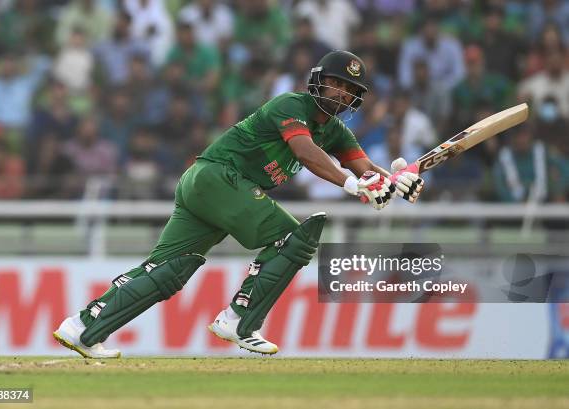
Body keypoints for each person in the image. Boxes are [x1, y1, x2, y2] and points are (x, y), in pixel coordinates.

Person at [52, 50, 425, 358]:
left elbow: (364, 168)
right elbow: (305, 151)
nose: (341, 93)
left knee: (170, 270)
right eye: (336, 83)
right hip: (218, 177)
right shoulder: (290, 104)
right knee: (295, 239)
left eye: (350, 89)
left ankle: (83, 327)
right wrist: (353, 184)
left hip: (210, 187)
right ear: (318, 81)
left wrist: (395, 182)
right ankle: (239, 320)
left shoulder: (337, 131)